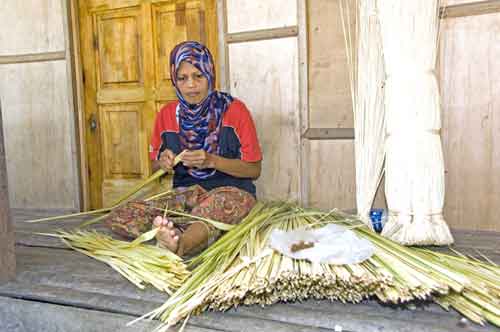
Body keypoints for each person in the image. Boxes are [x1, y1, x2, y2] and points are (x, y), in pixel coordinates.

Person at [146, 40, 262, 257]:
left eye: (198, 76)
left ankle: (181, 244)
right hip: (187, 194)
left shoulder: (235, 111)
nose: (191, 84)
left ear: (209, 74)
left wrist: (212, 160)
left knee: (214, 209)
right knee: (130, 212)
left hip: (229, 193)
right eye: (182, 78)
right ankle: (172, 229)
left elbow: (254, 170)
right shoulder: (167, 114)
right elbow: (154, 167)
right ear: (175, 80)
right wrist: (162, 162)